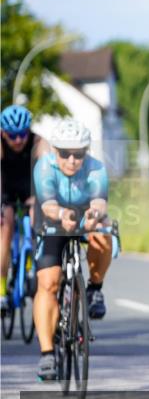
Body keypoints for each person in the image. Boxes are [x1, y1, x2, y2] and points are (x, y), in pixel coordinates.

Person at [32, 119, 112, 381]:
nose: (71, 160)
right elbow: (47, 205)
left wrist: (94, 214)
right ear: (55, 151)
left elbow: (99, 200)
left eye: (78, 154)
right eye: (65, 153)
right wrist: (62, 214)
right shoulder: (44, 167)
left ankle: (95, 289)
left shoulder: (96, 168)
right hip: (51, 219)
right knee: (48, 283)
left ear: (86, 152)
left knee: (105, 232)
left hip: (83, 217)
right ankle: (47, 355)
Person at [1, 104, 49, 312]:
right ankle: (2, 289)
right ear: (3, 133)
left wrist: (43, 198)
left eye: (22, 134)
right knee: (6, 226)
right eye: (13, 135)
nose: (18, 140)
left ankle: (35, 268)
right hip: (5, 190)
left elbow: (48, 172)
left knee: (37, 218)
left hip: (31, 189)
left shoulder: (39, 142)